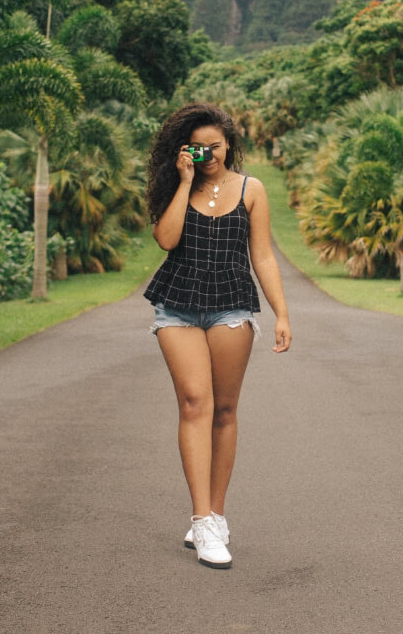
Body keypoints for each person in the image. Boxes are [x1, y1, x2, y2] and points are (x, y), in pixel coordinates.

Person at [143, 102, 292, 569]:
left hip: (231, 303)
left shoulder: (251, 189)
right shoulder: (176, 186)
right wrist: (184, 181)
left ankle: (217, 515)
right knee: (195, 403)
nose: (207, 153)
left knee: (224, 411)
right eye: (197, 147)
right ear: (184, 150)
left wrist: (282, 313)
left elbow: (262, 255)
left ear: (229, 145)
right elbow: (166, 240)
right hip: (178, 304)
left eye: (215, 145)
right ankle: (202, 520)